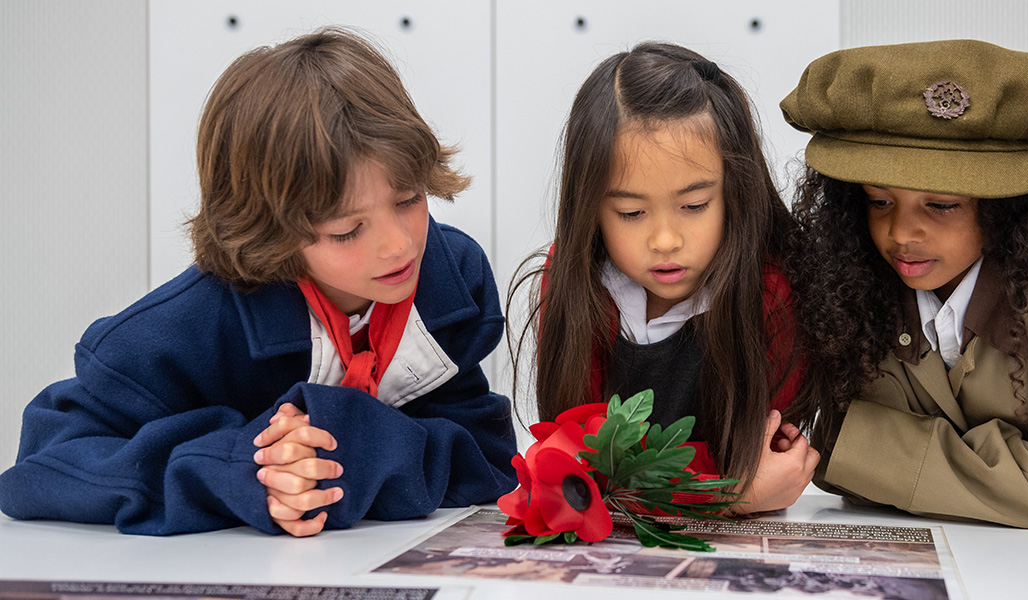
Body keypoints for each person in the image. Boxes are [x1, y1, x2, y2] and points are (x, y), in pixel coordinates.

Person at [0, 27, 517, 537]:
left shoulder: (452, 280)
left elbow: (489, 457)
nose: (399, 245)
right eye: (346, 230)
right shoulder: (188, 327)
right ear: (271, 229)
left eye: (408, 200)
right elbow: (44, 462)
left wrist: (344, 446)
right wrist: (241, 470)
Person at [780, 39, 1028, 529]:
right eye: (878, 201)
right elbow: (821, 440)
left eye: (943, 205)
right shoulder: (846, 294)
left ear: (1009, 208)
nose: (901, 233)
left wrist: (863, 455)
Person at [508, 42, 820, 514]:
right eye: (631, 212)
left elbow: (768, 460)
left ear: (735, 191)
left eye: (694, 206)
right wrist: (728, 496)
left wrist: (732, 484)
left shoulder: (773, 295)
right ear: (591, 209)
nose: (666, 239)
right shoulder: (576, 285)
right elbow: (586, 471)